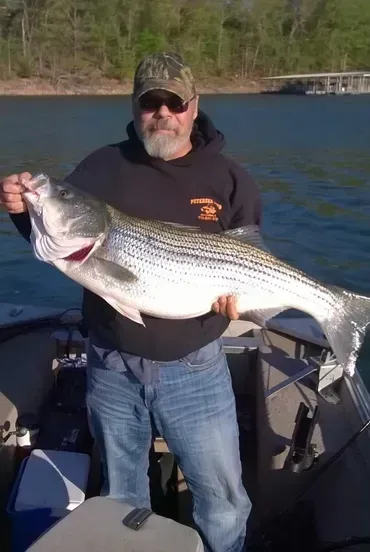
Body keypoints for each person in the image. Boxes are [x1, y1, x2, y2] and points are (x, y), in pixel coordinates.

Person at [0, 52, 262, 552]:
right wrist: (22, 209)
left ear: (193, 106)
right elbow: (58, 233)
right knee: (121, 496)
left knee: (223, 500)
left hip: (197, 371)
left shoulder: (231, 181)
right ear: (136, 107)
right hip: (111, 366)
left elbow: (250, 259)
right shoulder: (101, 166)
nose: (162, 112)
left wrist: (243, 303)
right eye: (150, 102)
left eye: (174, 102)